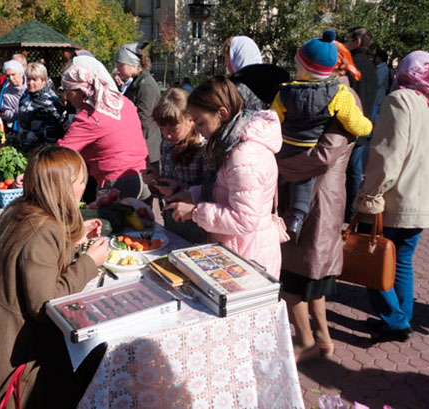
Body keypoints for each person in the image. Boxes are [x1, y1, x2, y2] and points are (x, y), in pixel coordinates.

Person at [0, 145, 109, 409]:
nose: (85, 185)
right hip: (9, 349)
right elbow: (46, 305)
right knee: (88, 360)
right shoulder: (44, 230)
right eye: (82, 180)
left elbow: (30, 261)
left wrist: (75, 237)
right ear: (64, 187)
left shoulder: (19, 208)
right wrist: (89, 262)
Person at [354, 51, 429, 343]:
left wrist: (369, 195)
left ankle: (396, 321)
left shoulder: (400, 100)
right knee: (402, 260)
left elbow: (387, 156)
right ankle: (398, 320)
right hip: (425, 199)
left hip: (394, 199)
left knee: (375, 259)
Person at [277, 40, 362, 362]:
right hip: (315, 196)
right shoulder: (326, 94)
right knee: (312, 275)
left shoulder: (340, 98)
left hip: (316, 199)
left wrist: (276, 166)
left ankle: (306, 342)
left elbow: (324, 155)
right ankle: (323, 341)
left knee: (293, 279)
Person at [165, 76, 282, 278]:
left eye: (201, 123)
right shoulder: (230, 145)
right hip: (239, 249)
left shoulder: (243, 155)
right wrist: (192, 195)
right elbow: (227, 190)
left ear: (222, 114)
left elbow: (245, 219)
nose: (199, 131)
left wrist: (195, 212)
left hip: (248, 256)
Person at [271, 29, 372, 242]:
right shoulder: (339, 94)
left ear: (302, 67)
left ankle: (279, 213)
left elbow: (274, 118)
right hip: (310, 144)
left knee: (282, 180)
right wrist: (367, 127)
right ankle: (297, 218)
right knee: (304, 180)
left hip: (286, 144)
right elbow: (353, 123)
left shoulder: (285, 92)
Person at [57, 58, 150, 200]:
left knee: (109, 221)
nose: (68, 98)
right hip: (143, 178)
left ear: (82, 91)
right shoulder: (123, 101)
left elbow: (61, 154)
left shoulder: (89, 117)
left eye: (69, 92)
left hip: (116, 183)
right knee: (144, 220)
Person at [144, 88, 207, 243]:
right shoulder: (167, 143)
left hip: (195, 222)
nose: (167, 134)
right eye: (162, 128)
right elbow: (167, 178)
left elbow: (212, 192)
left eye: (173, 128)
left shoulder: (202, 148)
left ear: (190, 120)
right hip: (171, 217)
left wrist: (180, 190)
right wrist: (155, 180)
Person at [343, 27, 377, 222]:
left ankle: (347, 211)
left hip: (349, 127)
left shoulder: (352, 65)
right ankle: (352, 212)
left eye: (348, 38)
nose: (345, 41)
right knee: (355, 172)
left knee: (345, 173)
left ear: (357, 41)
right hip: (363, 126)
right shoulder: (371, 67)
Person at [115, 42, 162, 168]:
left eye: (121, 65)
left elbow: (144, 119)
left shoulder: (145, 84)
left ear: (133, 63)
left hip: (147, 146)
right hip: (140, 143)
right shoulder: (137, 82)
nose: (118, 70)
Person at [224, 36, 290, 110]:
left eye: (227, 59)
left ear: (235, 58)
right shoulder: (280, 82)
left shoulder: (231, 89)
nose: (226, 64)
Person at [16, 62, 66, 152]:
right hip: (24, 148)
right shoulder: (25, 95)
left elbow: (53, 133)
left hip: (42, 152)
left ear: (43, 80)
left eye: (34, 79)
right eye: (28, 79)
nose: (30, 83)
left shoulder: (51, 101)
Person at [0, 60, 27, 128]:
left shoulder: (31, 85)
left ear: (20, 73)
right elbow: (6, 113)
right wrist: (20, 110)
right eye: (8, 76)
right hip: (19, 127)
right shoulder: (6, 92)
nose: (11, 78)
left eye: (13, 74)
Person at [372, 49, 394, 122]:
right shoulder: (381, 68)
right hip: (378, 96)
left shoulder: (383, 69)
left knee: (374, 115)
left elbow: (378, 83)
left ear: (379, 58)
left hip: (378, 96)